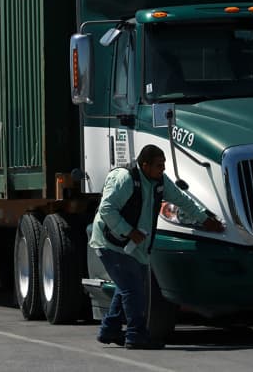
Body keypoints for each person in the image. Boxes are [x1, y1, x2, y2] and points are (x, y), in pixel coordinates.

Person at [89, 145, 224, 349]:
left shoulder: (159, 181)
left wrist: (205, 220)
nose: (163, 169)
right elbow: (107, 210)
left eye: (164, 165)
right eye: (159, 165)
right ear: (145, 165)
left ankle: (110, 329)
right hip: (110, 243)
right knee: (133, 289)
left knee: (128, 287)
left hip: (134, 246)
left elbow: (182, 200)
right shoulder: (125, 179)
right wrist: (129, 231)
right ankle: (136, 335)